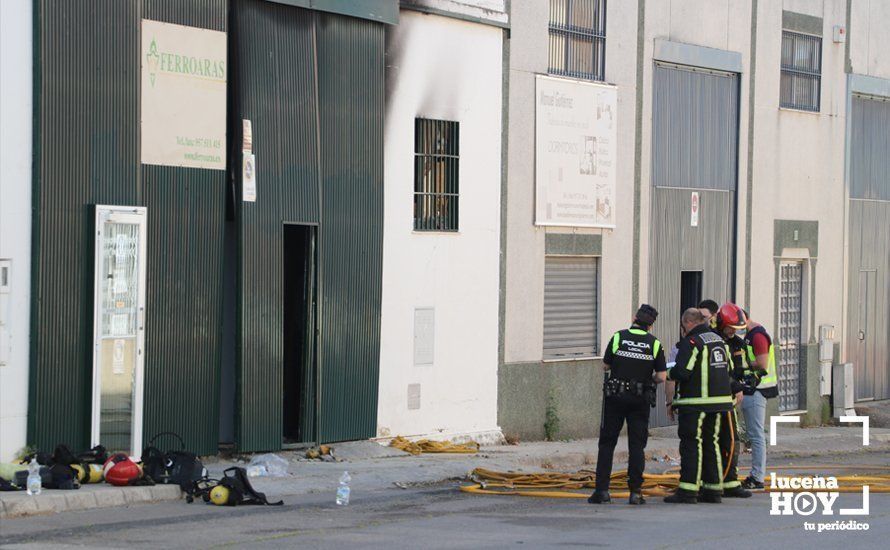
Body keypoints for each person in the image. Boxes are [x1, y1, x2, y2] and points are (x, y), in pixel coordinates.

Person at [589, 304, 666, 505]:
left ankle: (602, 491)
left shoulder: (618, 337)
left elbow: (605, 365)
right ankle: (635, 493)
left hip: (615, 397)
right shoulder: (654, 344)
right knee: (637, 446)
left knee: (607, 443)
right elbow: (661, 377)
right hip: (639, 400)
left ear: (634, 318)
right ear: (651, 325)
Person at [663, 308, 734, 504]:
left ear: (687, 323)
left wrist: (666, 375)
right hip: (720, 403)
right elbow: (731, 370)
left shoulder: (692, 342)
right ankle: (713, 490)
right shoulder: (720, 341)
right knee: (711, 443)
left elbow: (683, 372)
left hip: (695, 404)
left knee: (691, 445)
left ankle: (688, 490)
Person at [713, 302, 753, 498]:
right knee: (721, 441)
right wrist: (735, 386)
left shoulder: (736, 344)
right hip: (716, 399)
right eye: (731, 328)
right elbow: (719, 371)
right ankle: (718, 481)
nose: (733, 332)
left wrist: (746, 382)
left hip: (730, 400)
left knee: (731, 442)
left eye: (737, 329)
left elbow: (740, 369)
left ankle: (729, 479)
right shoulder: (714, 341)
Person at [737, 310, 778, 490]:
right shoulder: (752, 335)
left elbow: (762, 363)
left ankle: (757, 477)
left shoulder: (758, 336)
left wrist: (741, 363)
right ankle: (756, 475)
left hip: (757, 390)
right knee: (755, 434)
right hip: (753, 389)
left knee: (756, 435)